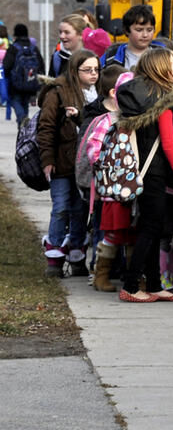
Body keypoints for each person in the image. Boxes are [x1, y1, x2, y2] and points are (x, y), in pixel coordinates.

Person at [115, 49, 173, 303]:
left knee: (150, 225)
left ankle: (153, 283)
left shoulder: (139, 94)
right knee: (151, 227)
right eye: (172, 64)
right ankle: (131, 285)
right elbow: (169, 143)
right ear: (161, 68)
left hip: (138, 169)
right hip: (155, 171)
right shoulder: (164, 99)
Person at [36, 49, 101, 277]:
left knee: (80, 210)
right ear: (75, 71)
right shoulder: (58, 92)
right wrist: (47, 160)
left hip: (84, 166)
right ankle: (54, 256)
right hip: (61, 163)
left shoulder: (97, 94)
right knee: (61, 207)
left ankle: (76, 255)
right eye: (88, 70)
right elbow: (45, 127)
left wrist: (80, 116)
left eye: (96, 70)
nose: (93, 74)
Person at [81, 68, 130, 291]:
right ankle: (101, 274)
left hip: (135, 188)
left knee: (133, 233)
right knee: (113, 231)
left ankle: (133, 275)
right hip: (112, 189)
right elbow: (93, 146)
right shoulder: (107, 120)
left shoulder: (139, 121)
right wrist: (106, 164)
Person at [100, 5, 167, 70]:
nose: (145, 35)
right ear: (126, 30)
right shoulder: (110, 59)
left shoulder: (164, 56)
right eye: (139, 30)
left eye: (149, 30)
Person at [4, 23, 44, 124]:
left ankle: (22, 119)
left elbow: (6, 65)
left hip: (16, 83)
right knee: (25, 102)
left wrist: (9, 77)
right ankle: (24, 124)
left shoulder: (14, 48)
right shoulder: (33, 48)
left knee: (16, 101)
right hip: (30, 81)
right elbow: (41, 64)